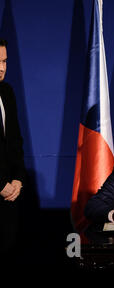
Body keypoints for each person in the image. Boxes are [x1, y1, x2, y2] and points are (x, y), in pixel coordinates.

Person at [0, 39, 27, 257]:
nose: (2, 67)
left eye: (5, 61)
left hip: (10, 194)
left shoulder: (7, 92)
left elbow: (15, 140)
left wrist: (18, 178)